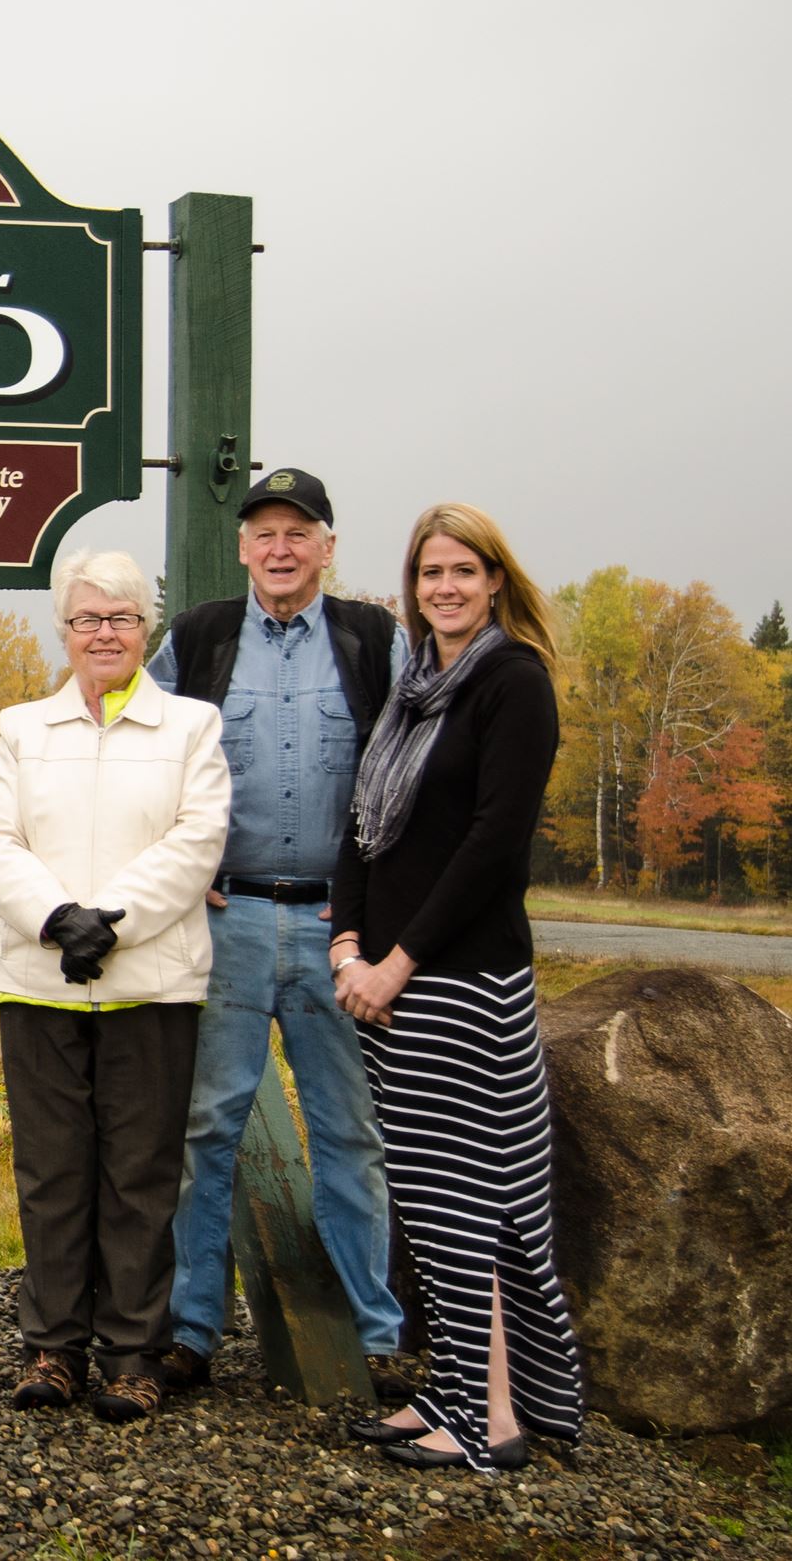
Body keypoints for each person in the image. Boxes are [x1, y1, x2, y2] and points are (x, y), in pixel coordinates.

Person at [332, 504, 582, 1473]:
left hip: (460, 981)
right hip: (387, 980)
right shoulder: (413, 689)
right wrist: (347, 941)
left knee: (457, 1203)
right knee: (433, 1198)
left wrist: (398, 962)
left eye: (460, 572)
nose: (442, 587)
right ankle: (461, 1395)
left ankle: (489, 1421)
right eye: (427, 573)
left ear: (493, 581)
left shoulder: (510, 684)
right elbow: (362, 824)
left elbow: (491, 846)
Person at [148, 467, 407, 1391]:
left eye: (299, 530)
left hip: (341, 932)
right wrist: (179, 868)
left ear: (328, 546)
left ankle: (374, 1340)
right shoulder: (200, 638)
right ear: (244, 548)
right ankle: (190, 1332)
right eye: (264, 532)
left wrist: (384, 909)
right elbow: (139, 746)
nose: (281, 547)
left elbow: (418, 765)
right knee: (205, 1127)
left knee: (351, 1132)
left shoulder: (376, 640)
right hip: (230, 924)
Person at [0, 549, 229, 1425]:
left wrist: (108, 922)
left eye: (120, 618)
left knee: (140, 1175)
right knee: (51, 1174)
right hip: (40, 981)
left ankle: (132, 1354)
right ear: (64, 630)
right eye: (87, 619)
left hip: (149, 985)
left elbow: (197, 843)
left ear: (145, 628)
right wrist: (56, 921)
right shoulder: (23, 728)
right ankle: (52, 1348)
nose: (104, 633)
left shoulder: (191, 728)